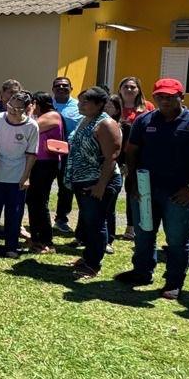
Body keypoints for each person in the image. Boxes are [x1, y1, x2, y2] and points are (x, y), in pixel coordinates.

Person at [120, 78, 189, 300]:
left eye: (170, 96)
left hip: (179, 194)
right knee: (144, 234)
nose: (164, 100)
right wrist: (134, 183)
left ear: (181, 97)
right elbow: (132, 151)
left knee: (176, 240)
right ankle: (142, 272)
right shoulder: (144, 120)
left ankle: (173, 282)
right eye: (159, 96)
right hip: (145, 191)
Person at [62, 88, 122, 277]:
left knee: (97, 223)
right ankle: (87, 257)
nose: (79, 105)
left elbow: (111, 157)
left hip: (98, 182)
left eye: (85, 102)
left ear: (99, 104)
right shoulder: (85, 119)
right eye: (80, 101)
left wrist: (101, 185)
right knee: (88, 222)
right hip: (82, 180)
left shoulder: (105, 124)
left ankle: (93, 264)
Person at [0, 91, 39, 258]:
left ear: (27, 109)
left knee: (14, 213)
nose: (13, 112)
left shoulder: (31, 126)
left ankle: (11, 246)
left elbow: (32, 154)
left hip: (17, 174)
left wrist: (26, 176)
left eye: (18, 109)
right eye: (10, 107)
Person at [111, 76, 154, 239]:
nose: (129, 90)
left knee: (133, 191)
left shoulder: (147, 107)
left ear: (138, 90)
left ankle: (131, 227)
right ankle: (110, 226)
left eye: (132, 87)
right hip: (116, 154)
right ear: (120, 89)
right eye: (126, 87)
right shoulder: (115, 106)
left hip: (138, 155)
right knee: (113, 189)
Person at [25, 92, 65, 253]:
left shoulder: (53, 115)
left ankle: (46, 240)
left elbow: (30, 127)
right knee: (33, 200)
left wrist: (29, 111)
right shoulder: (46, 115)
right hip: (37, 163)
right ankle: (36, 238)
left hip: (46, 164)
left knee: (40, 201)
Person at [51, 76, 83, 234]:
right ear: (53, 89)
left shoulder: (78, 106)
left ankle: (61, 219)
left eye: (65, 86)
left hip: (69, 154)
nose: (61, 88)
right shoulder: (47, 105)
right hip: (47, 153)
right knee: (42, 188)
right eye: (58, 86)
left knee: (66, 188)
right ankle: (39, 217)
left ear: (71, 88)